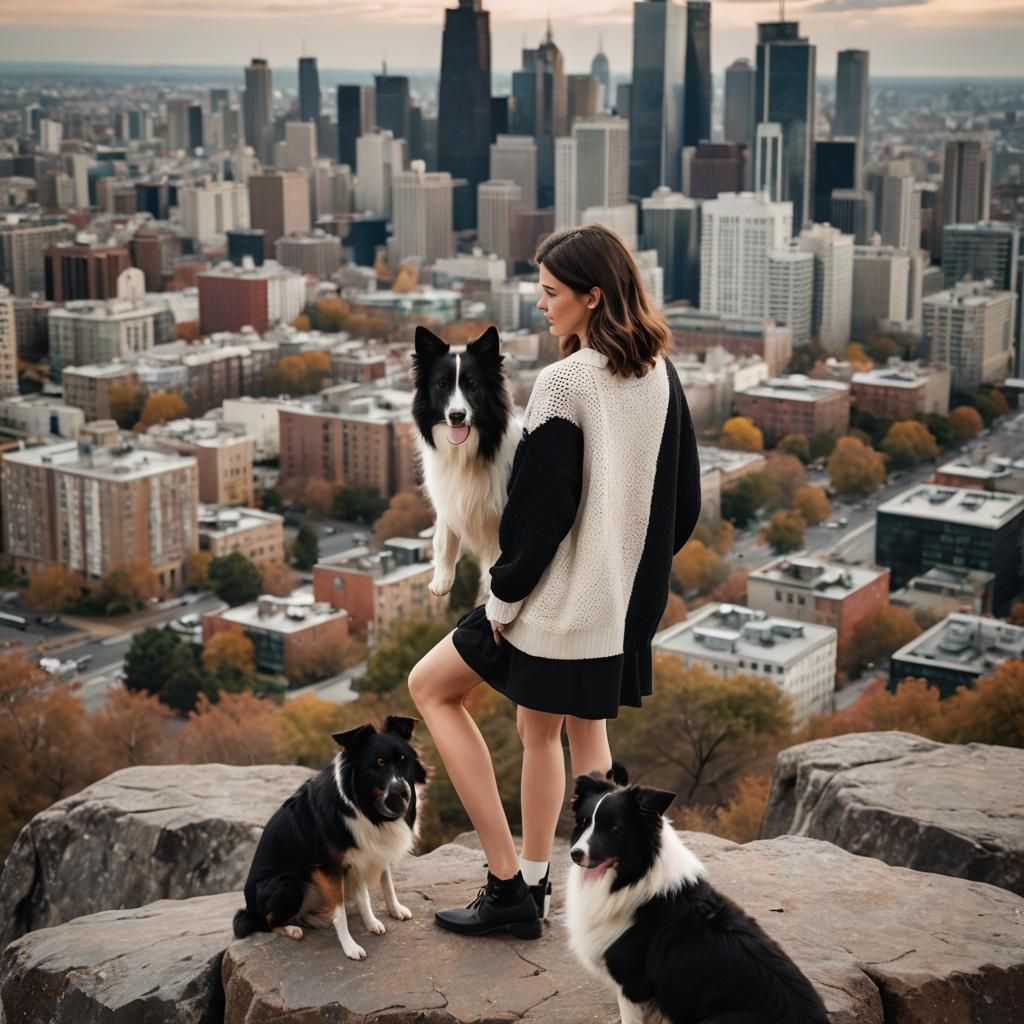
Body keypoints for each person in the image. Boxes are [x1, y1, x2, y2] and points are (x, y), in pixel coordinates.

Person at [408, 224, 701, 938]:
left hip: (550, 606)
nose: (541, 305)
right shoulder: (659, 374)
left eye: (550, 293)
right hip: (618, 609)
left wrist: (504, 599)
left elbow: (539, 516)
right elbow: (684, 503)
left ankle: (512, 883)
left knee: (431, 689)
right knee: (575, 735)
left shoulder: (566, 383)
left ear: (591, 297)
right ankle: (598, 898)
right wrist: (626, 571)